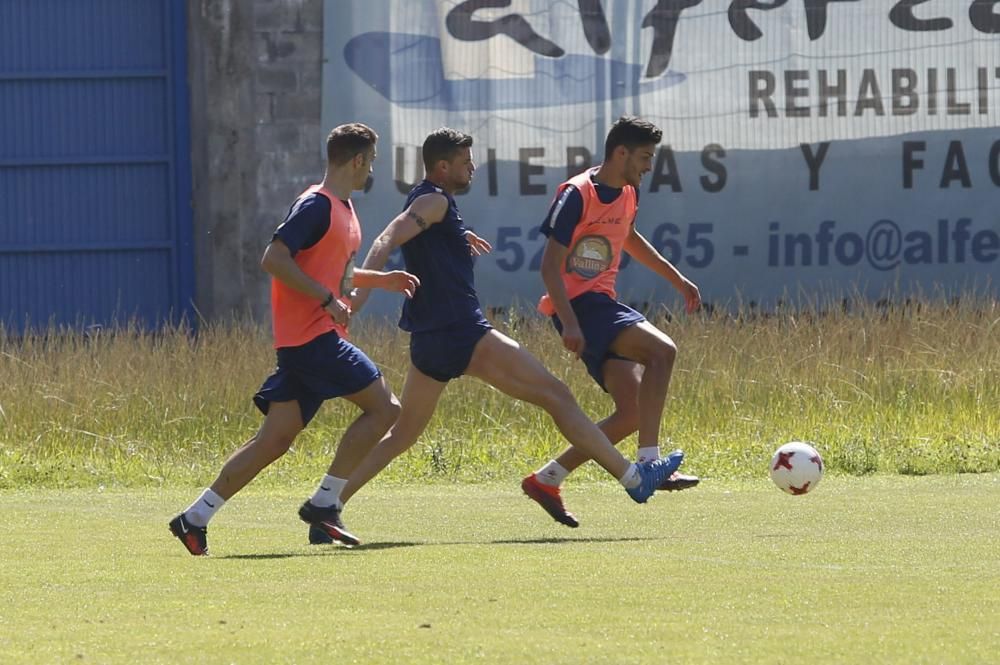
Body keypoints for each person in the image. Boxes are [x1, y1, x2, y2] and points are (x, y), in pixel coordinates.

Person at [308, 127, 684, 545]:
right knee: (557, 396)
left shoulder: (433, 203)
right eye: (466, 162)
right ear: (443, 166)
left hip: (430, 338)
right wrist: (362, 294)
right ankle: (634, 478)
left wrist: (455, 238)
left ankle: (329, 505)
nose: (473, 168)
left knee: (403, 434)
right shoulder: (433, 200)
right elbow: (387, 237)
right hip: (462, 331)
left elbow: (421, 235)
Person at [168, 123, 419, 555]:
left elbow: (332, 273)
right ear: (357, 159)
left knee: (274, 440)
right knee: (385, 408)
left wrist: (380, 280)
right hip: (313, 340)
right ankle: (325, 504)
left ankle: (194, 518)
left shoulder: (344, 207)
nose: (370, 170)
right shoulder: (316, 206)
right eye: (371, 161)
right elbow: (274, 259)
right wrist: (327, 300)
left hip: (305, 342)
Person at [520, 115, 702, 528]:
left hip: (599, 306)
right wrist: (568, 322)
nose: (648, 166)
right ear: (620, 152)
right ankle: (651, 462)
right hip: (583, 307)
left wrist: (678, 279)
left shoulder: (629, 193)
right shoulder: (577, 193)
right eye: (643, 156)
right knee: (663, 351)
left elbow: (630, 239)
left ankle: (548, 479)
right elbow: (550, 267)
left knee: (633, 412)